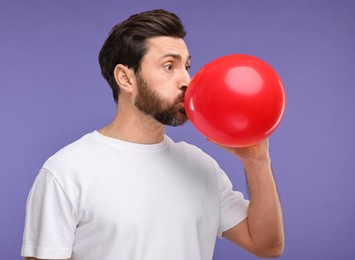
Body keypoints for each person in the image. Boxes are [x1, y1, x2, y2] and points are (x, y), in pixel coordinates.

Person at [21, 9, 284, 260]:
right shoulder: (66, 172)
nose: (187, 81)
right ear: (126, 78)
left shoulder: (201, 166)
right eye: (169, 66)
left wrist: (257, 161)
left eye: (187, 66)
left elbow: (266, 246)